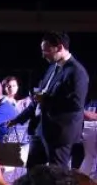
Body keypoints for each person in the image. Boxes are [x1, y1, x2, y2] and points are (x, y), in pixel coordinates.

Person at [11, 31, 89, 168]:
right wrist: (18, 119)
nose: (43, 55)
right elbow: (39, 98)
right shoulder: (53, 67)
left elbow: (76, 104)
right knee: (33, 170)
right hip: (41, 128)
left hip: (60, 132)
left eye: (46, 50)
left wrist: (46, 100)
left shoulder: (77, 72)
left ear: (59, 48)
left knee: (56, 172)